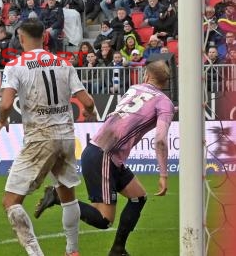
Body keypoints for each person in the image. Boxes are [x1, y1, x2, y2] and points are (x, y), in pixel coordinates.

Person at [35, 60, 175, 256]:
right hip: (104, 156)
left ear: (146, 76)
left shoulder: (134, 89)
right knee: (104, 220)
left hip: (103, 153)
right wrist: (163, 174)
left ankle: (118, 249)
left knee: (138, 197)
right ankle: (58, 197)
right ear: (166, 81)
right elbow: (160, 140)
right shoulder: (164, 102)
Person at [0, 19, 96, 256]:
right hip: (66, 136)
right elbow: (88, 102)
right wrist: (90, 112)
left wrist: (1, 121)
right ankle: (72, 251)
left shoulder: (15, 66)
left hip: (40, 136)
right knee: (67, 195)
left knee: (11, 202)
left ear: (20, 37)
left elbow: (7, 103)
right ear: (44, 37)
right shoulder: (63, 63)